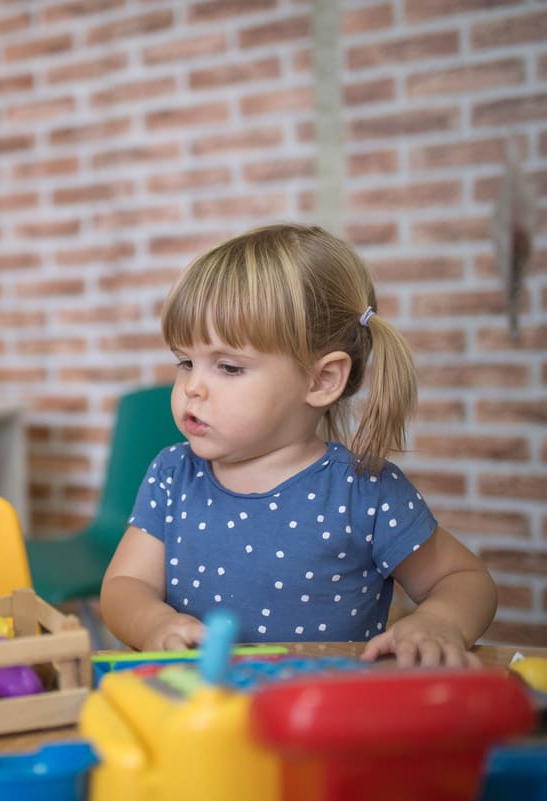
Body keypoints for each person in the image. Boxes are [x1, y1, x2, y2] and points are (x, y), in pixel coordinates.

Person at [100, 223, 496, 668]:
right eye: (186, 362)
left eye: (228, 367)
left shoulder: (363, 491)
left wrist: (440, 621)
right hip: (203, 710)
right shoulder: (173, 475)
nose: (193, 386)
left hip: (329, 717)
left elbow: (464, 578)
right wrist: (152, 622)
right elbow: (124, 585)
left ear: (321, 379)